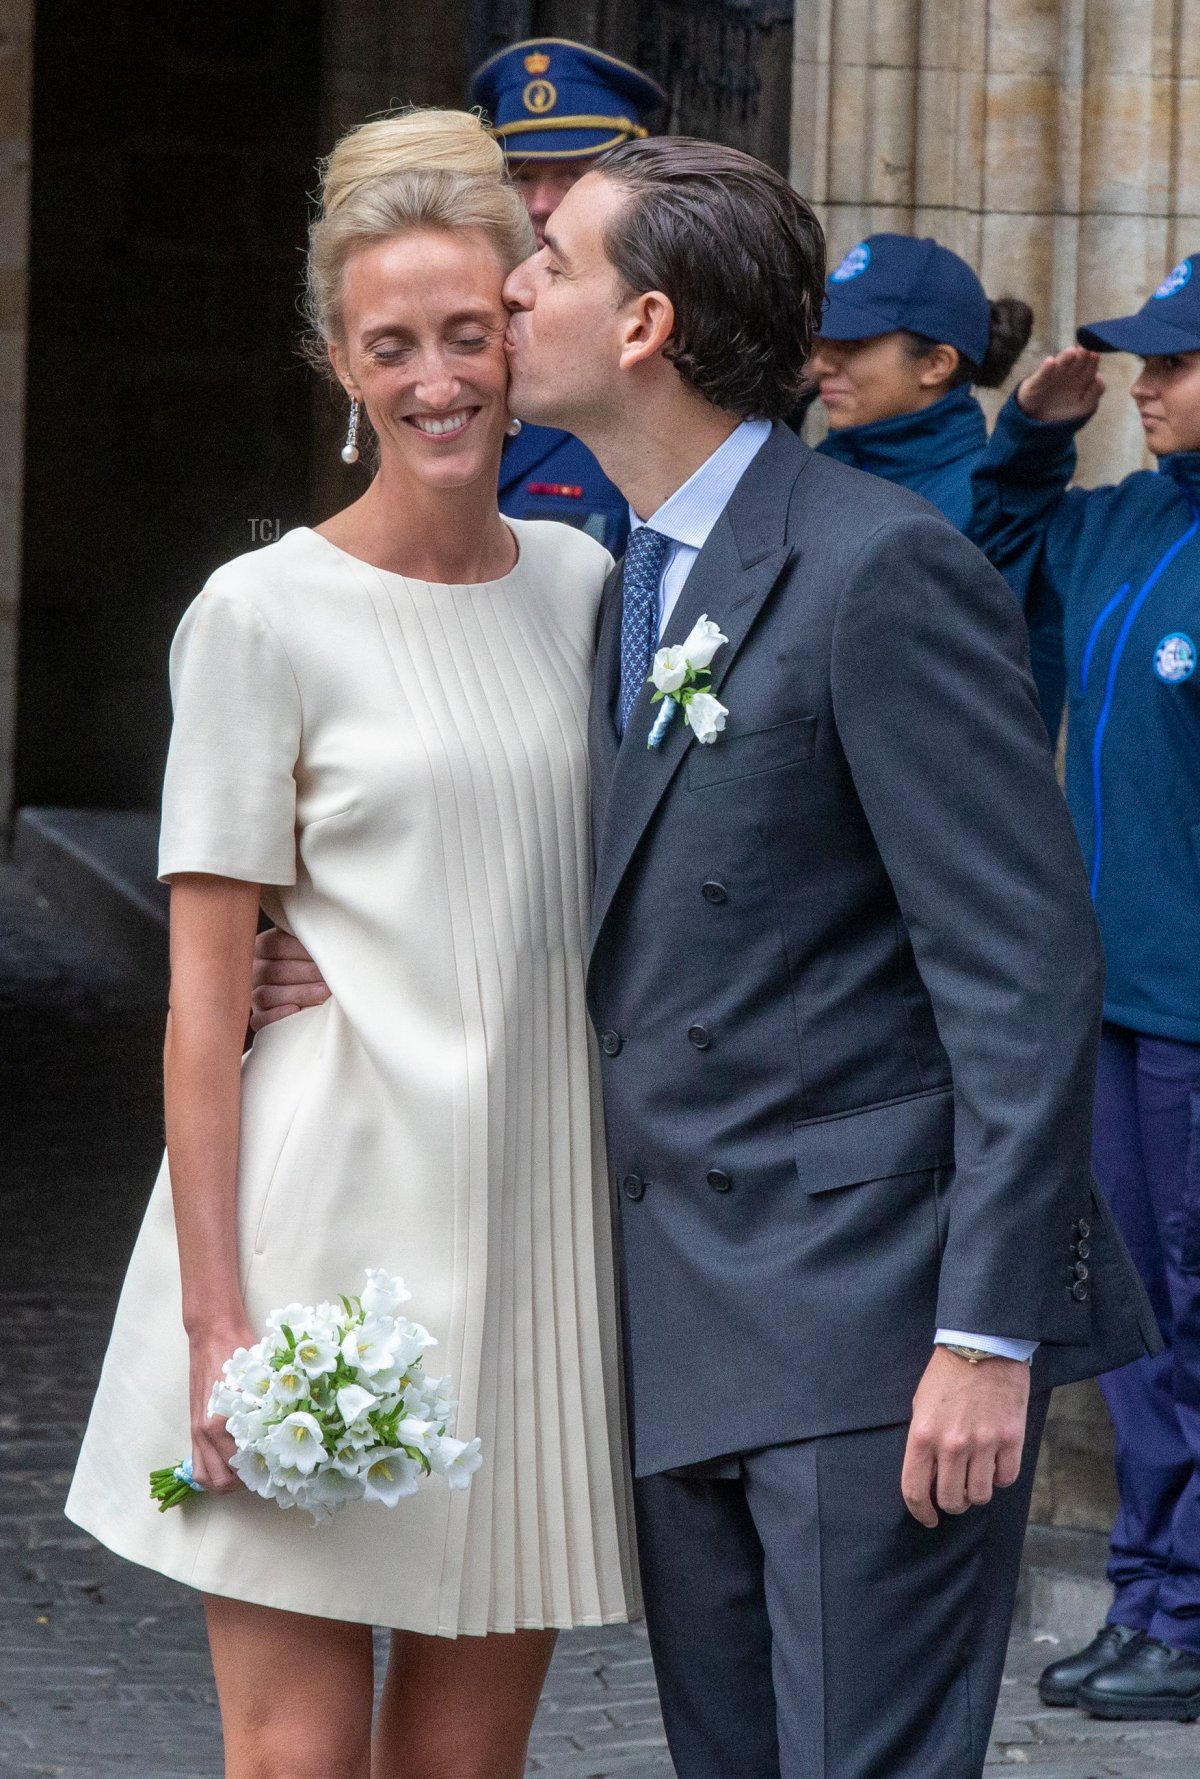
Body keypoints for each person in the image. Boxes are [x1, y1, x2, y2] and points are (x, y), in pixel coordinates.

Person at [256, 136, 1158, 1776]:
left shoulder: (879, 566)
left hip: (873, 1327)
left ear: (646, 324)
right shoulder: (623, 580)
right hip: (678, 1320)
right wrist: (329, 961)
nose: (511, 289)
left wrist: (987, 1332)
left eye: (551, 265)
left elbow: (1022, 971)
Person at [64, 109, 640, 1779]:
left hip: (534, 1236)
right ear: (339, 364)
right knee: (298, 1756)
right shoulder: (262, 615)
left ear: (519, 333)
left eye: (467, 333)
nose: (437, 379)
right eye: (393, 346)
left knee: (465, 1765)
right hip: (315, 1241)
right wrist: (218, 1326)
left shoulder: (590, 586)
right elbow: (200, 1005)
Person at [970, 255, 1200, 1723]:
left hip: (1191, 1017)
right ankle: (1152, 1595)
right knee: (1141, 1322)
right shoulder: (1123, 518)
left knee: (1194, 1314)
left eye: (1175, 364)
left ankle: (1185, 1610)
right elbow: (987, 552)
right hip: (1113, 1000)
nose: (1146, 387)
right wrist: (1034, 433)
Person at [807, 232, 1065, 735]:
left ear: (936, 364)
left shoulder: (986, 501)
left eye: (852, 346)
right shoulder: (820, 466)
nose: (821, 364)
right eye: (822, 341)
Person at [470, 37, 666, 553]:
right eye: (522, 177)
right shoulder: (463, 322)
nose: (540, 204)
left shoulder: (659, 345)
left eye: (570, 176)